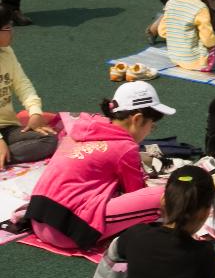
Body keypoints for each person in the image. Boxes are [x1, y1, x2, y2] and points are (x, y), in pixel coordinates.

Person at [24, 80, 173, 252]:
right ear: (137, 119)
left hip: (38, 220)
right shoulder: (126, 148)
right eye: (151, 126)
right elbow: (135, 192)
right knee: (162, 195)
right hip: (68, 232)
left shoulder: (83, 127)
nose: (149, 132)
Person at [0, 4, 57, 165]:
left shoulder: (7, 53)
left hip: (6, 128)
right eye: (7, 27)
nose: (12, 30)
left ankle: (4, 156)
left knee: (49, 140)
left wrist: (35, 113)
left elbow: (22, 84)